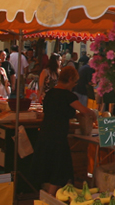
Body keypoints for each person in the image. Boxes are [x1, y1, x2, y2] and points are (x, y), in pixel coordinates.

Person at [38, 65, 99, 193]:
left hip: (45, 131)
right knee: (59, 164)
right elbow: (85, 110)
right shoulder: (68, 95)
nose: (75, 85)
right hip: (58, 135)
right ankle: (51, 194)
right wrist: (94, 115)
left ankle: (54, 190)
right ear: (70, 79)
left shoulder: (50, 94)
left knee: (51, 162)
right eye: (75, 82)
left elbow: (58, 111)